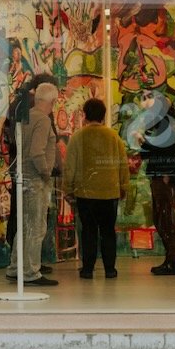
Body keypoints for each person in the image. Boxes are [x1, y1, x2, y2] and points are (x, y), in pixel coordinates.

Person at [64, 97, 130, 279]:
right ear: (103, 115)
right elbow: (123, 164)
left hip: (85, 192)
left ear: (85, 115)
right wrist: (124, 186)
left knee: (88, 231)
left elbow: (70, 165)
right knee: (108, 231)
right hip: (110, 192)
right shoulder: (113, 137)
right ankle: (110, 269)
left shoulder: (78, 137)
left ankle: (87, 269)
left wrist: (68, 188)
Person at [5, 81, 60, 287]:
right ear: (52, 101)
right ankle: (30, 271)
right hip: (35, 179)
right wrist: (46, 173)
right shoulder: (43, 120)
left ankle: (15, 267)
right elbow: (37, 152)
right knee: (36, 227)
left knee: (23, 226)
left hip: (23, 177)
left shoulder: (26, 117)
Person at [139, 95, 175, 276]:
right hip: (163, 176)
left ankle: (172, 261)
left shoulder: (167, 125)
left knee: (166, 219)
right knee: (163, 218)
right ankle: (171, 260)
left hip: (164, 177)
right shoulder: (165, 124)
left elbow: (169, 151)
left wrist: (168, 175)